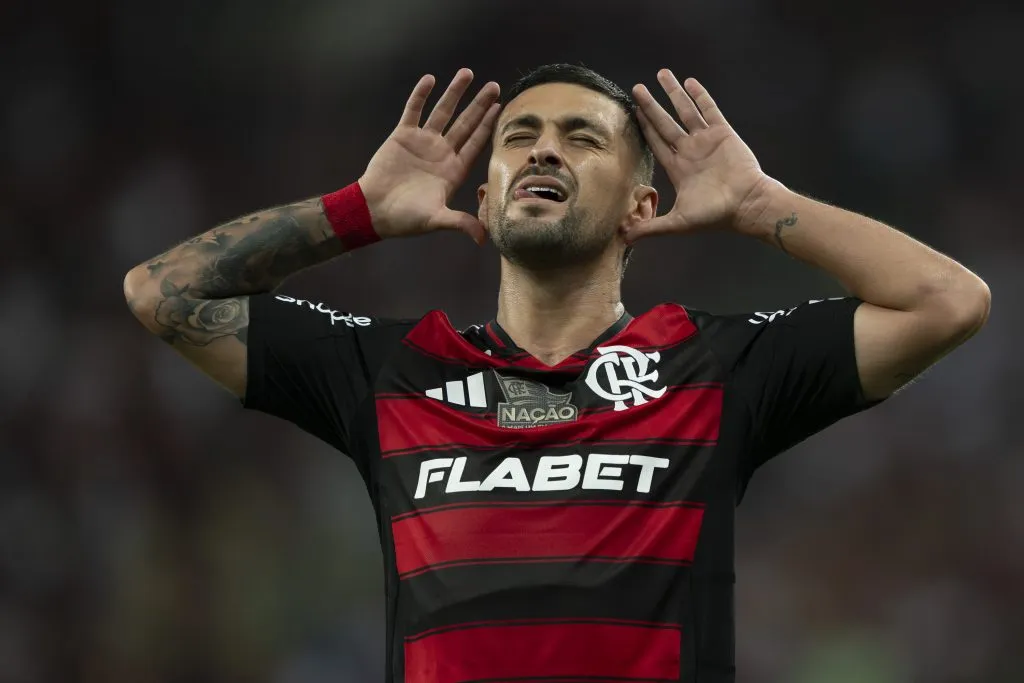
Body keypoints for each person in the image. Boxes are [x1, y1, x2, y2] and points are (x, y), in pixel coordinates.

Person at [123, 64, 990, 682]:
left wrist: (764, 208)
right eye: (519, 138)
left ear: (641, 207)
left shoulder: (716, 367)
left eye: (583, 139)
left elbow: (945, 301)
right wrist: (357, 213)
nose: (544, 151)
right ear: (488, 194)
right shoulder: (393, 371)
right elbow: (163, 293)